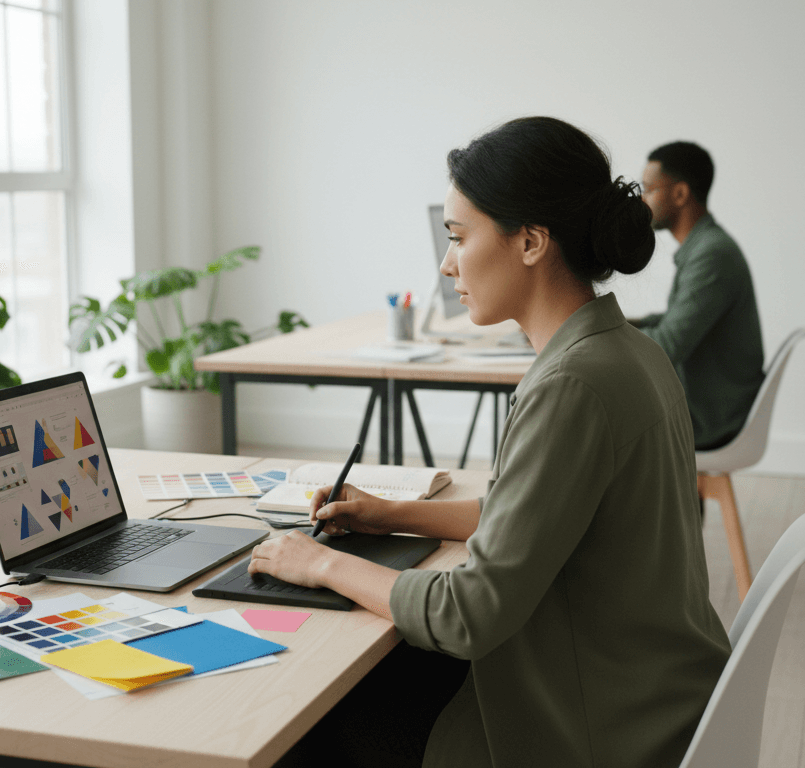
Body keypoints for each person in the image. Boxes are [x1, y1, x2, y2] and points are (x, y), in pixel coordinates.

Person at [253, 117, 730, 768]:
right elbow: (529, 515)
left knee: (302, 719)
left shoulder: (573, 385)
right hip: (650, 696)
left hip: (591, 731)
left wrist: (319, 564)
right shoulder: (629, 351)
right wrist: (388, 513)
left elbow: (469, 613)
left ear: (531, 241)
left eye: (458, 237)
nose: (447, 263)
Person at [634, 142, 764, 450]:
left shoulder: (712, 255)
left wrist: (603, 339)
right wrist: (616, 324)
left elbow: (668, 345)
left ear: (680, 194)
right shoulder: (705, 247)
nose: (641, 198)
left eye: (649, 188)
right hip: (709, 404)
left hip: (711, 416)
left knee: (590, 411)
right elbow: (670, 323)